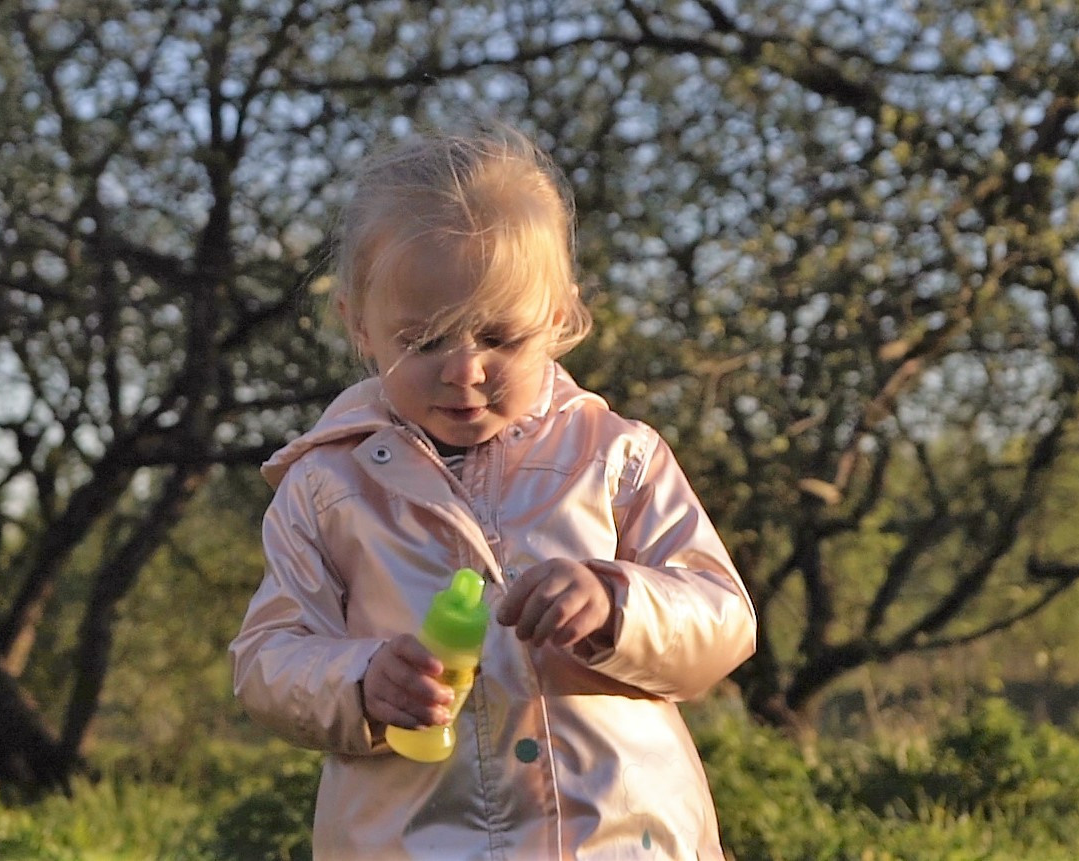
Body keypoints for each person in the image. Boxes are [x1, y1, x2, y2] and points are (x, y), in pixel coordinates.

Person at [230, 127, 757, 860]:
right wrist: (358, 679)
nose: (465, 370)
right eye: (426, 340)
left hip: (625, 840)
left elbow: (724, 616)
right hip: (411, 843)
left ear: (560, 317)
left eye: (501, 338)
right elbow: (267, 657)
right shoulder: (326, 488)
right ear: (359, 325)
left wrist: (617, 604)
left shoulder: (616, 456)